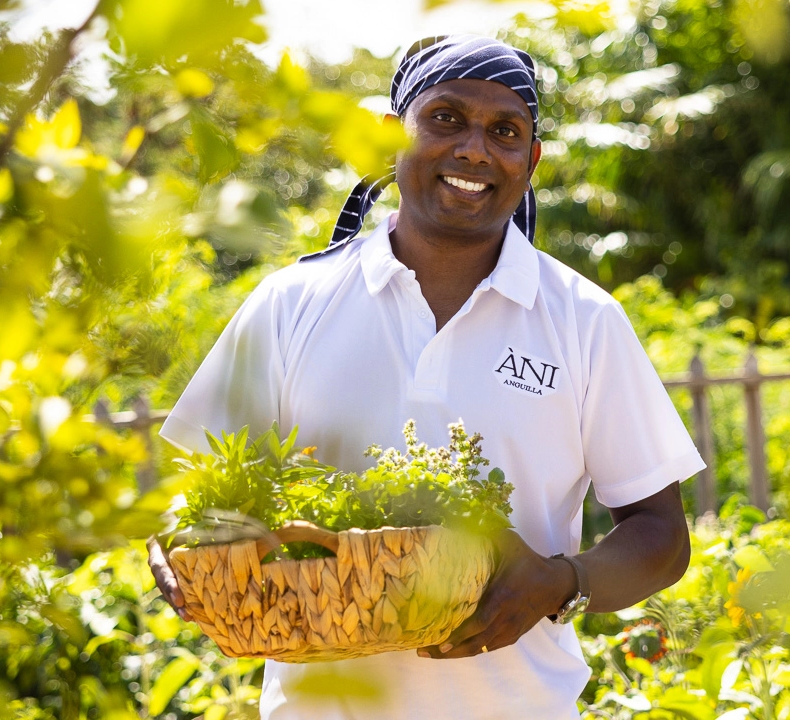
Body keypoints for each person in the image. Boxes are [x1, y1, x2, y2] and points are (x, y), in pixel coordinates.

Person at [148, 35, 705, 719]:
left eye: (505, 131)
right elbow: (201, 486)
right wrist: (184, 539)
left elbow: (660, 536)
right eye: (445, 118)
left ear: (530, 160)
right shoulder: (290, 304)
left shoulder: (583, 320)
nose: (474, 149)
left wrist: (562, 582)